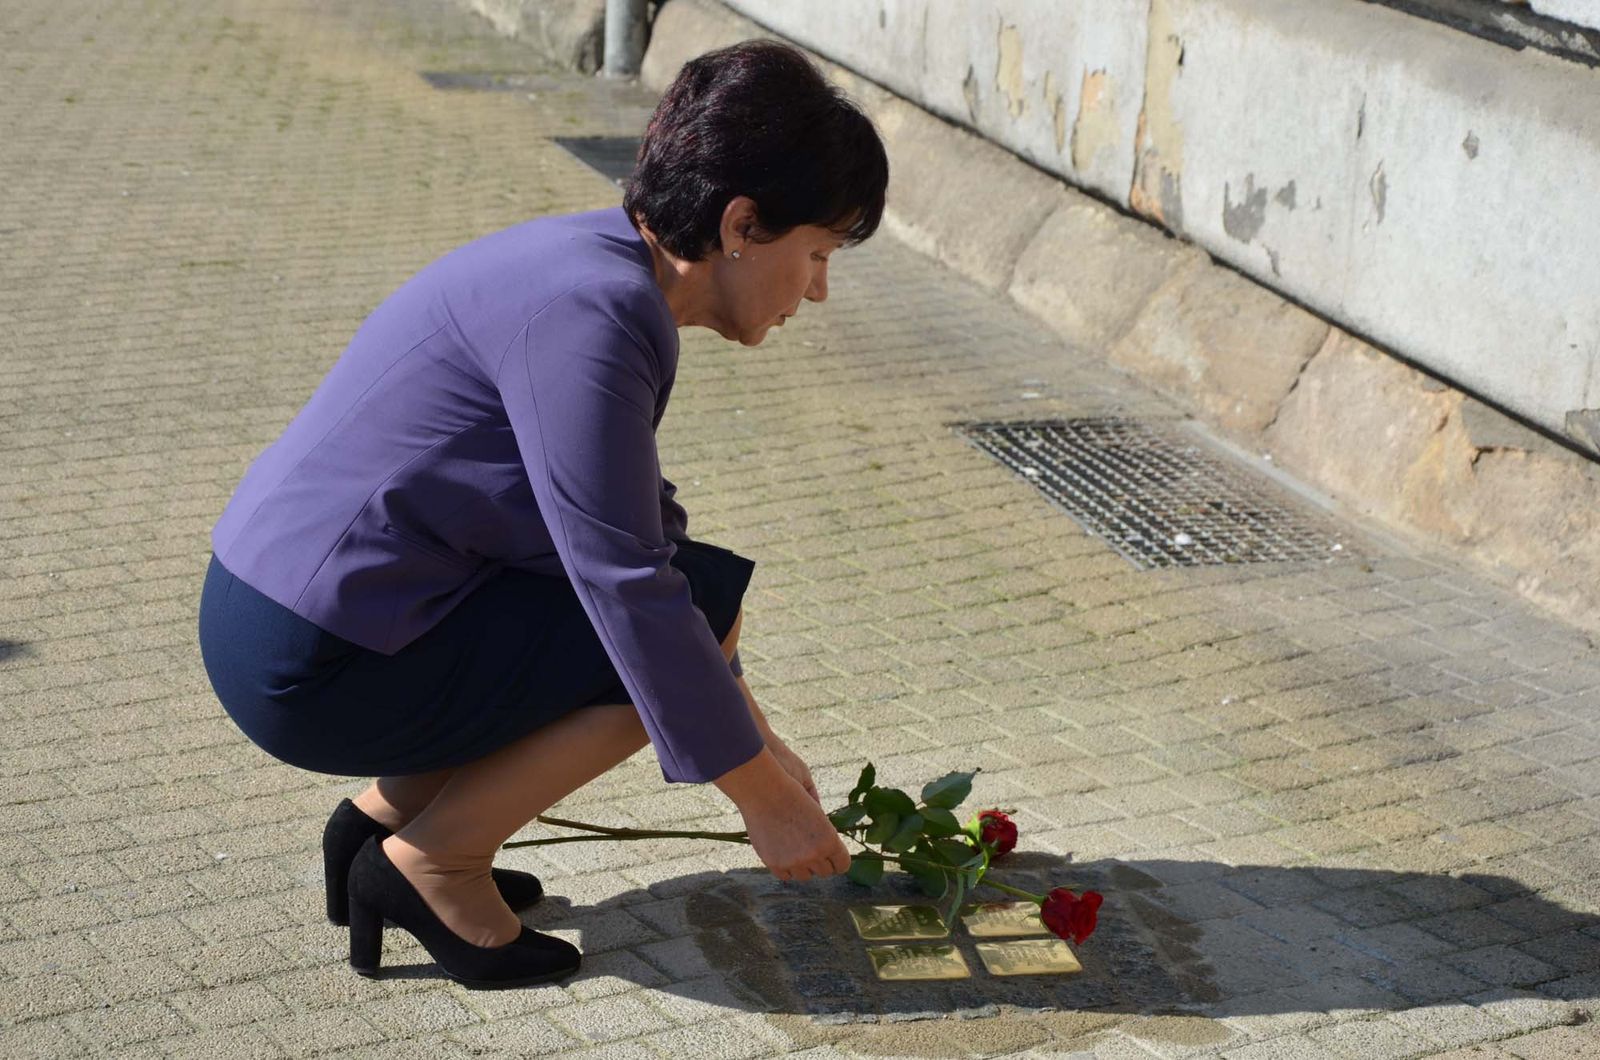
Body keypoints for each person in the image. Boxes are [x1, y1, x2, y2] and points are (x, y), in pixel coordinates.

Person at [195, 38, 889, 990]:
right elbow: (628, 585)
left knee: (695, 605)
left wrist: (761, 743)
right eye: (815, 253)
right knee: (643, 647)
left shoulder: (594, 266)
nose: (816, 289)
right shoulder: (596, 317)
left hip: (293, 610)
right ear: (741, 223)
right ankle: (433, 864)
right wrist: (761, 797)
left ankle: (385, 820)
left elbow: (646, 535)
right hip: (312, 657)